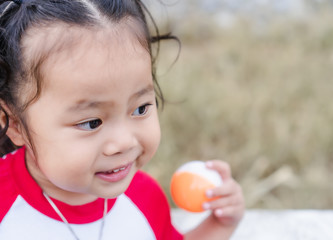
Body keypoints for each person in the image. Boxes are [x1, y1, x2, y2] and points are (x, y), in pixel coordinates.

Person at [0, 0, 245, 239]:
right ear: (13, 124)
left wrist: (219, 225)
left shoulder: (144, 197)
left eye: (140, 109)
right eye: (91, 122)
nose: (124, 142)